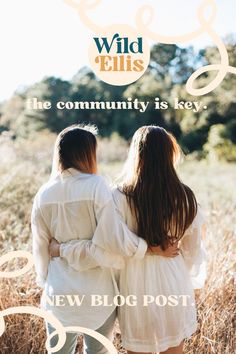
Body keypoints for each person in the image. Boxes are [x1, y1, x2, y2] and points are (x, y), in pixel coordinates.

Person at [50, 125, 206, 354]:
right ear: (170, 153)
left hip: (135, 287)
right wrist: (177, 266)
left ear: (136, 154)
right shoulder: (185, 197)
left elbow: (111, 243)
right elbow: (192, 252)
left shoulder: (118, 196)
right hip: (174, 283)